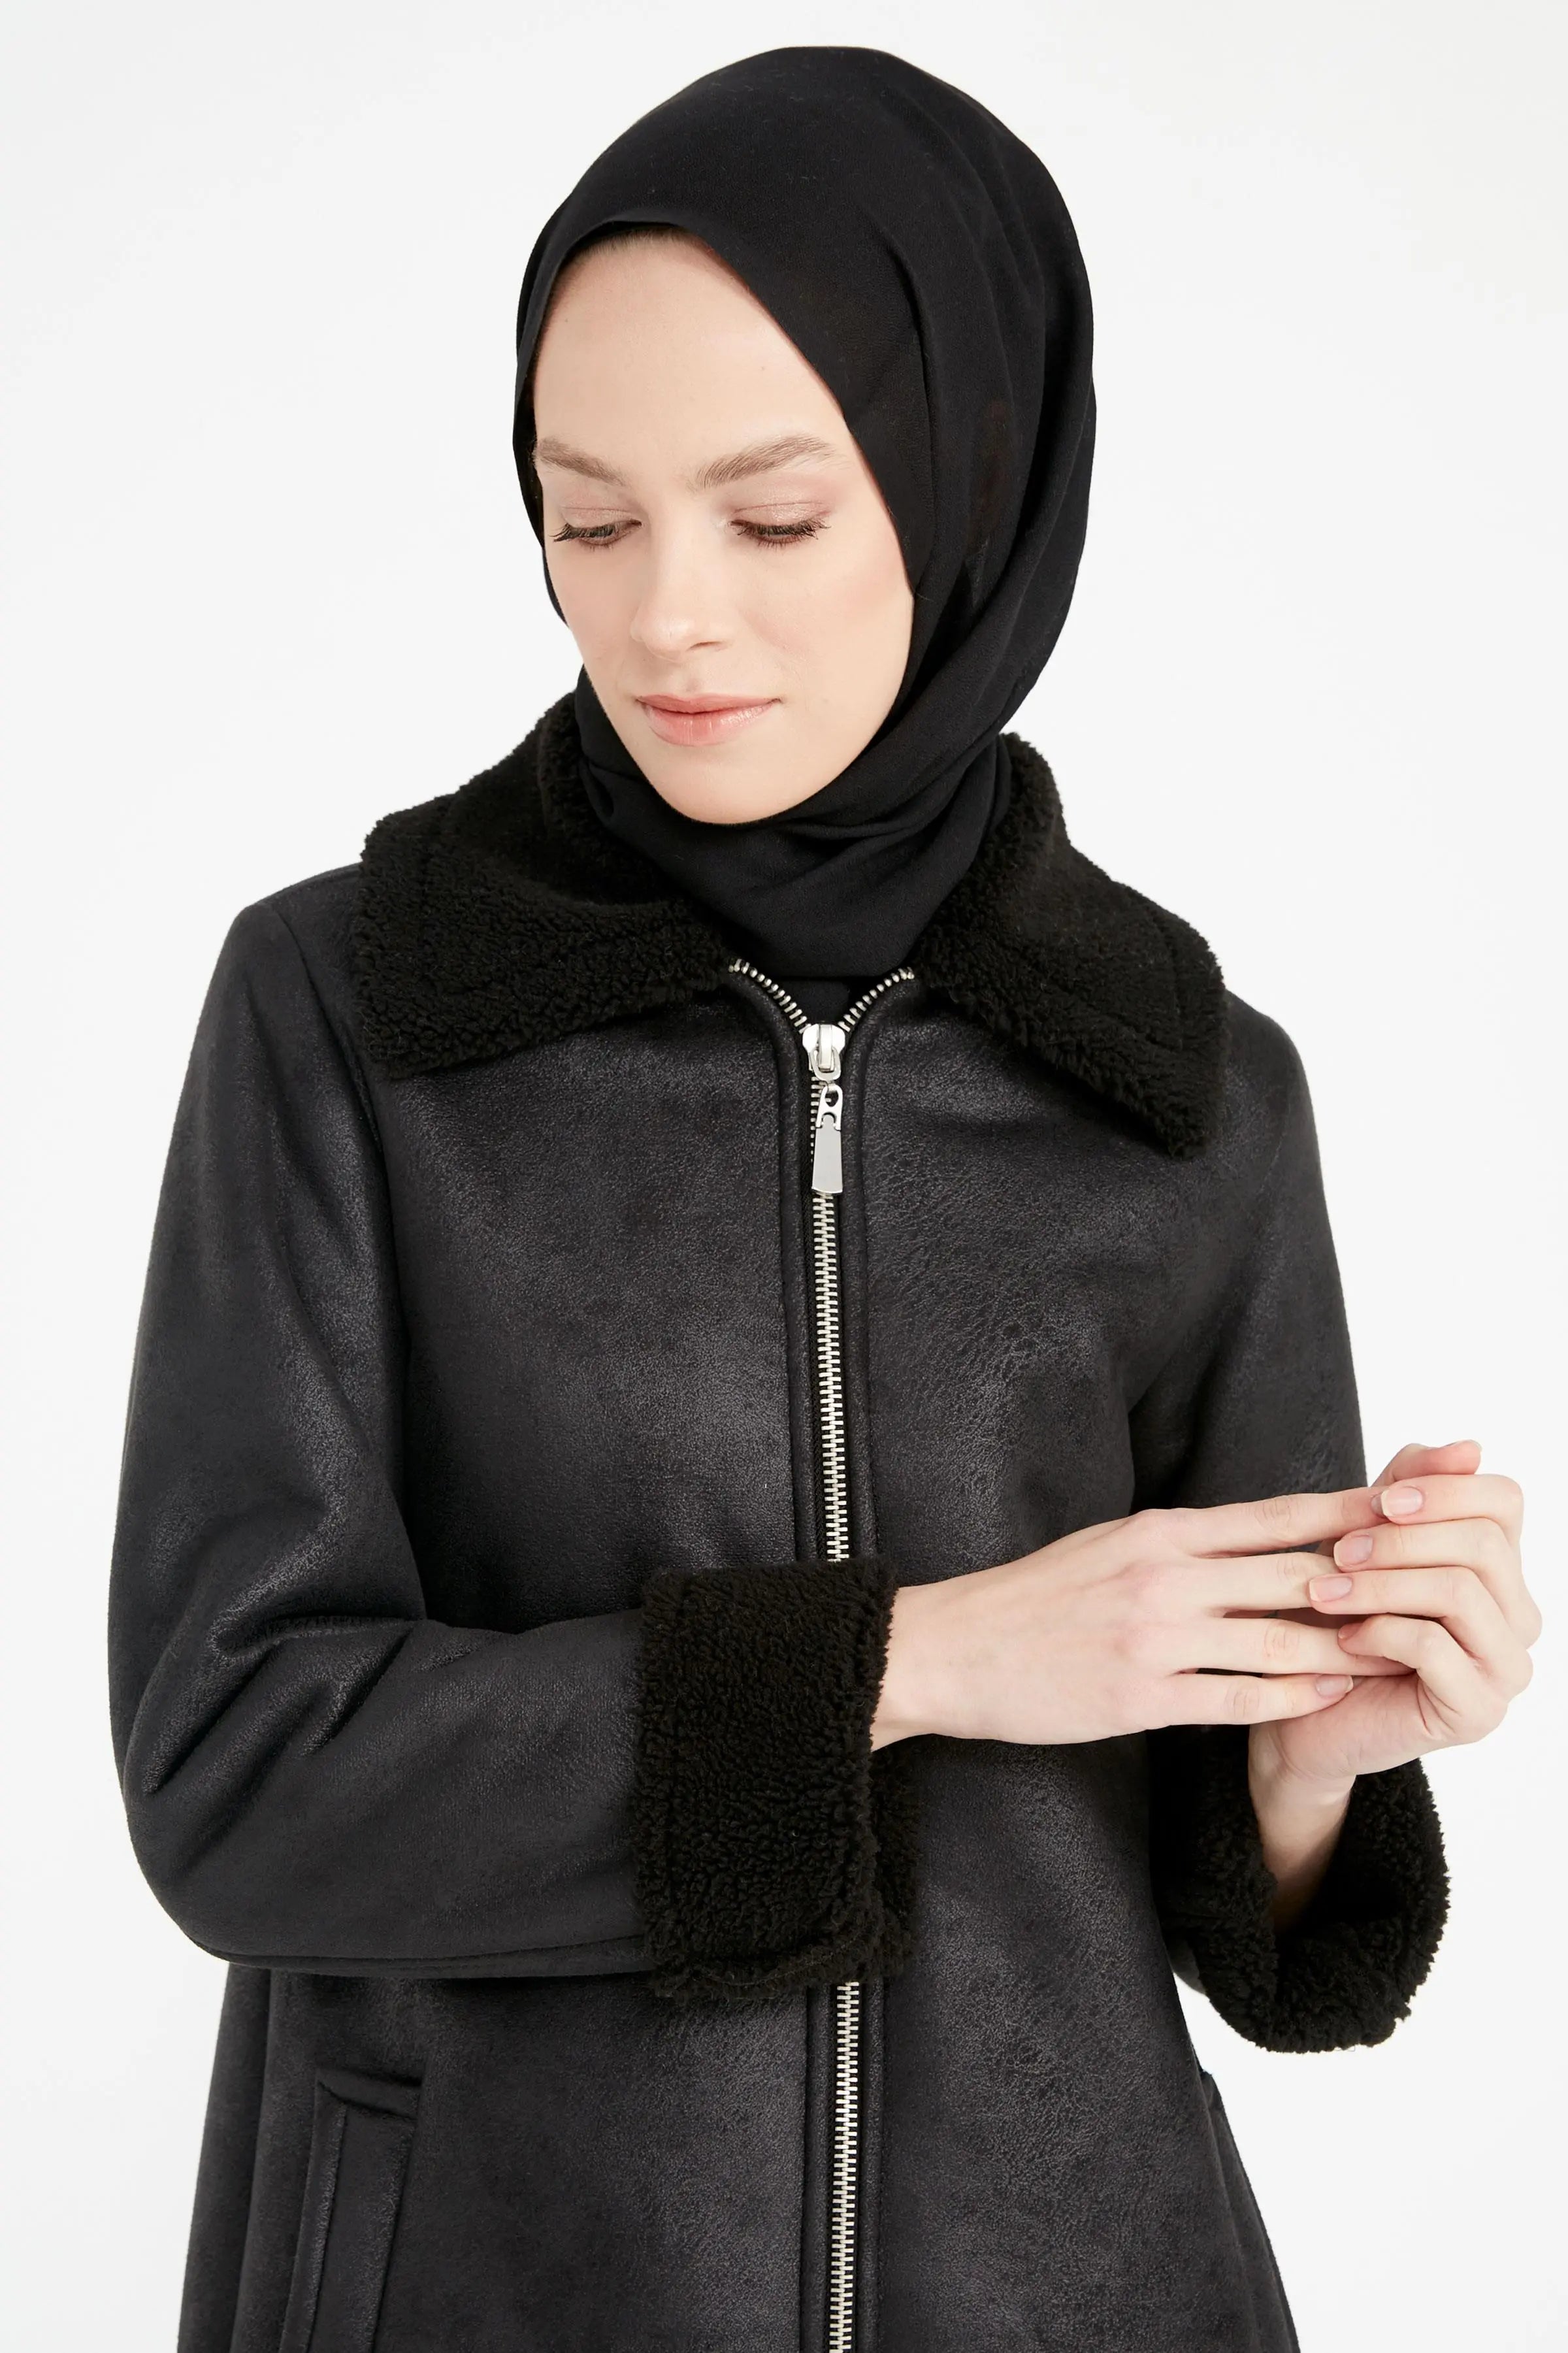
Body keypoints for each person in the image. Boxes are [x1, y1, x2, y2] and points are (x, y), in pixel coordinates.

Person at [108, 46, 1539, 2353]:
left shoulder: (1182, 1091)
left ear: (969, 484)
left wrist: (1308, 1766)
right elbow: (237, 1777)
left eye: (771, 518)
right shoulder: (354, 1015)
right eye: (589, 518)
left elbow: (1236, 1931)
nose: (668, 615)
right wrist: (919, 1658)